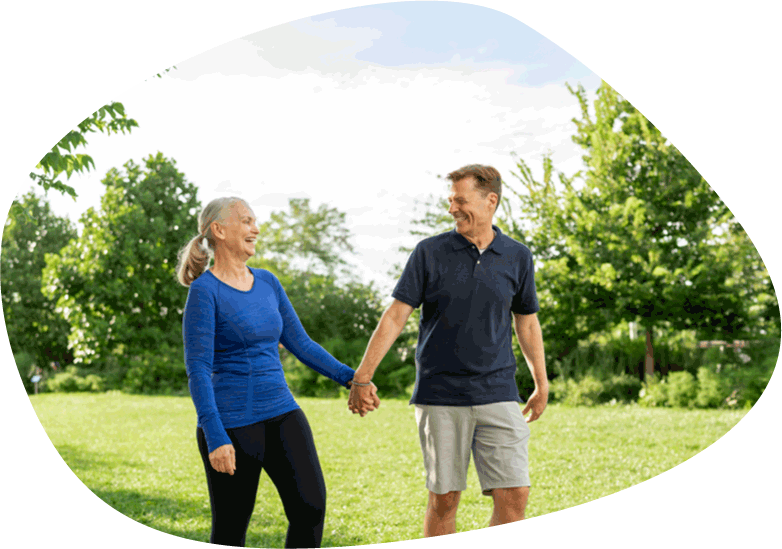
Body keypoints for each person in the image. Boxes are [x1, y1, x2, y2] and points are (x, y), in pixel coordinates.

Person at [348, 165, 548, 536]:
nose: (452, 208)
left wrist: (541, 382)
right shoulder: (429, 252)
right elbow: (395, 316)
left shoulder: (517, 256)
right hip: (440, 395)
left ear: (490, 201)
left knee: (515, 495)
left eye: (460, 200)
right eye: (451, 200)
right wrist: (363, 376)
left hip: (498, 390)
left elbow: (527, 323)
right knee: (445, 498)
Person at [176, 197, 379, 548]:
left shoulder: (268, 282)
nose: (255, 229)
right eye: (246, 221)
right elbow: (198, 369)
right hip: (233, 424)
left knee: (310, 508)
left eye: (254, 221)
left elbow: (301, 343)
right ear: (219, 230)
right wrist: (215, 435)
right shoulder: (204, 291)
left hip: (283, 412)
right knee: (230, 529)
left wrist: (353, 378)